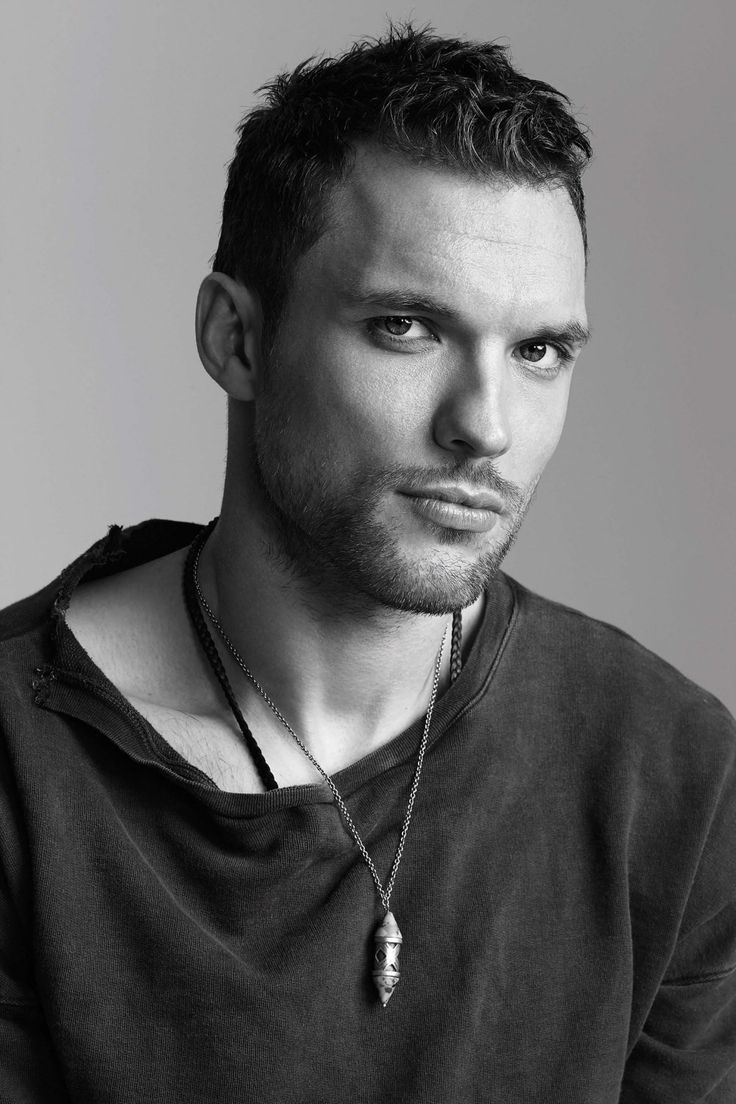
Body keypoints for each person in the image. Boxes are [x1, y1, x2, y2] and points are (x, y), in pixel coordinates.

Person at [1, 24, 734, 1103]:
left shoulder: (670, 774)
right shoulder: (21, 758)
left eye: (538, 351)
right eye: (406, 327)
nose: (486, 427)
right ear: (237, 339)